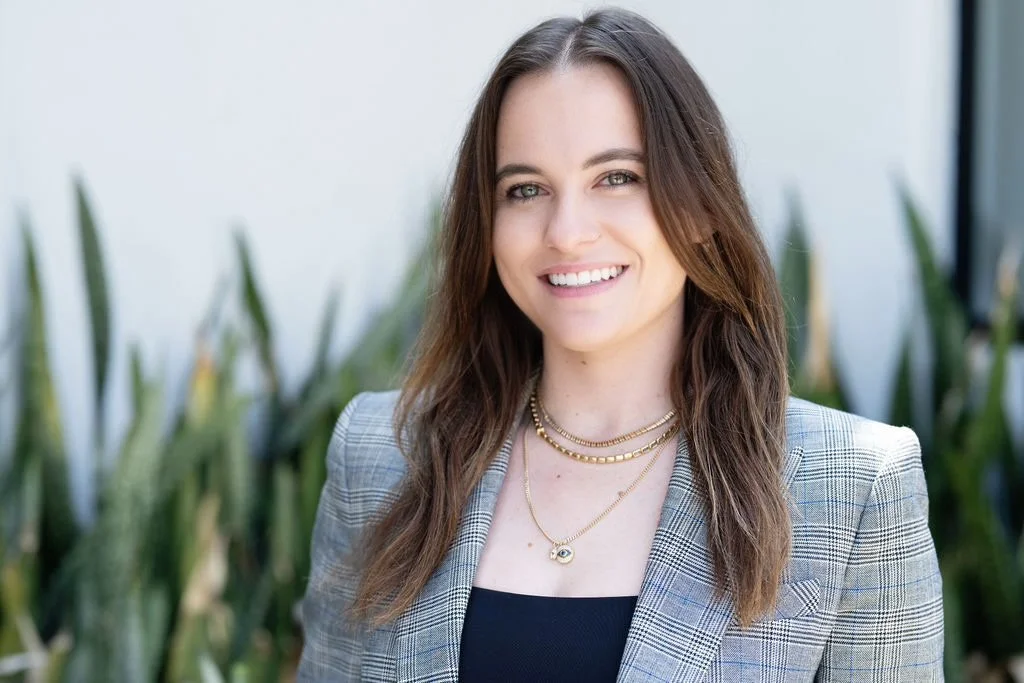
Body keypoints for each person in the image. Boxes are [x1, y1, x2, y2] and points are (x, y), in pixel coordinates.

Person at [297, 7, 944, 682]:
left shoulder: (850, 487)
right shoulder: (381, 457)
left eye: (616, 178)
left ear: (697, 206)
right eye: (526, 189)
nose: (567, 231)